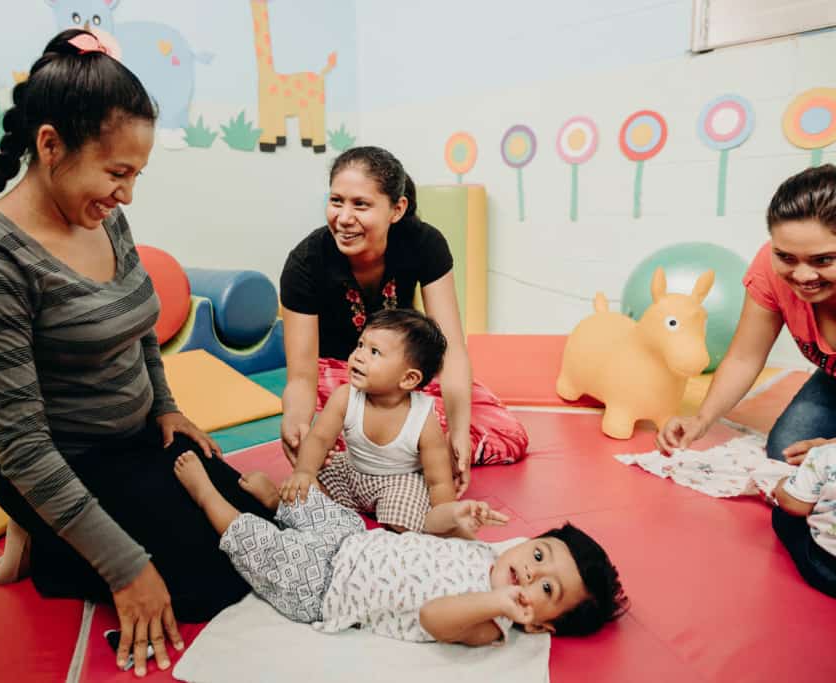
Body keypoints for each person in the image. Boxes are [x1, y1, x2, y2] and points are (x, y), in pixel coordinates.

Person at [0, 29, 274, 676]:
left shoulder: (102, 215)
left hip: (137, 435)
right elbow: (24, 446)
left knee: (256, 536)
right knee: (208, 586)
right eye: (118, 173)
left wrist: (166, 407)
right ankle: (46, 542)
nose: (128, 195)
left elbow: (139, 319)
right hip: (59, 460)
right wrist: (125, 567)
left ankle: (67, 534)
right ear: (50, 145)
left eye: (136, 174)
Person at [279, 146, 528, 496]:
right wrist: (296, 421)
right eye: (336, 201)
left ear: (397, 209)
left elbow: (452, 349)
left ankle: (401, 455)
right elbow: (301, 377)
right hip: (343, 374)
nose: (344, 218)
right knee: (325, 446)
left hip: (404, 367)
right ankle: (405, 455)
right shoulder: (304, 263)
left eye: (360, 204)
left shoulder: (425, 244)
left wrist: (458, 431)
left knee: (510, 435)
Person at [173, 451, 628, 641]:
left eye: (548, 591)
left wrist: (498, 602)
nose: (531, 574)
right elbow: (429, 532)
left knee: (263, 546)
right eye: (538, 555)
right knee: (328, 511)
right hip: (354, 541)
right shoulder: (489, 555)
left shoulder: (491, 624)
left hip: (326, 591)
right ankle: (280, 502)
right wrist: (457, 516)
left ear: (539, 625)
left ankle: (207, 497)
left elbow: (433, 616)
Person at [657, 164, 836, 464]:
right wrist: (701, 420)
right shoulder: (769, 269)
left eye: (824, 260)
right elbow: (744, 357)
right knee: (787, 453)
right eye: (786, 257)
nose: (803, 275)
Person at [279, 308, 457, 534]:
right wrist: (304, 472)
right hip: (350, 471)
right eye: (360, 345)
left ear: (408, 378)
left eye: (374, 352)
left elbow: (438, 481)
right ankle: (313, 513)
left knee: (409, 524)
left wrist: (448, 517)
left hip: (398, 482)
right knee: (304, 493)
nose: (359, 355)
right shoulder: (345, 396)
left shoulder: (422, 418)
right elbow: (320, 439)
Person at [770, 443, 836, 598]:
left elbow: (795, 504)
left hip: (826, 569)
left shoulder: (827, 453)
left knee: (783, 516)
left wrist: (783, 484)